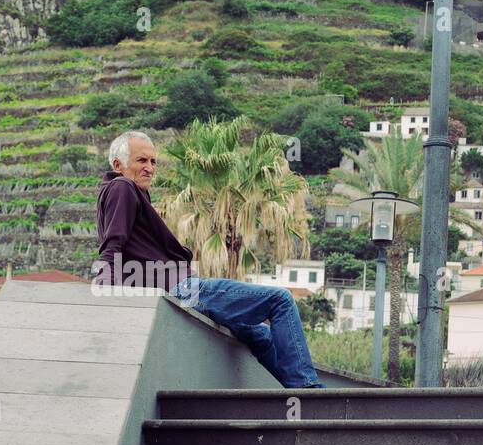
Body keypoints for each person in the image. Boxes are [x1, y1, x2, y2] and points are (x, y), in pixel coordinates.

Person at [92, 130, 323, 389]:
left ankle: (299, 389)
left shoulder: (125, 191)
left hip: (178, 288)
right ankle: (307, 391)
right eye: (141, 161)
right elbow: (113, 243)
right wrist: (105, 292)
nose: (149, 168)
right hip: (183, 289)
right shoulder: (122, 187)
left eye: (153, 162)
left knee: (258, 334)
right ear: (117, 165)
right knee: (280, 300)